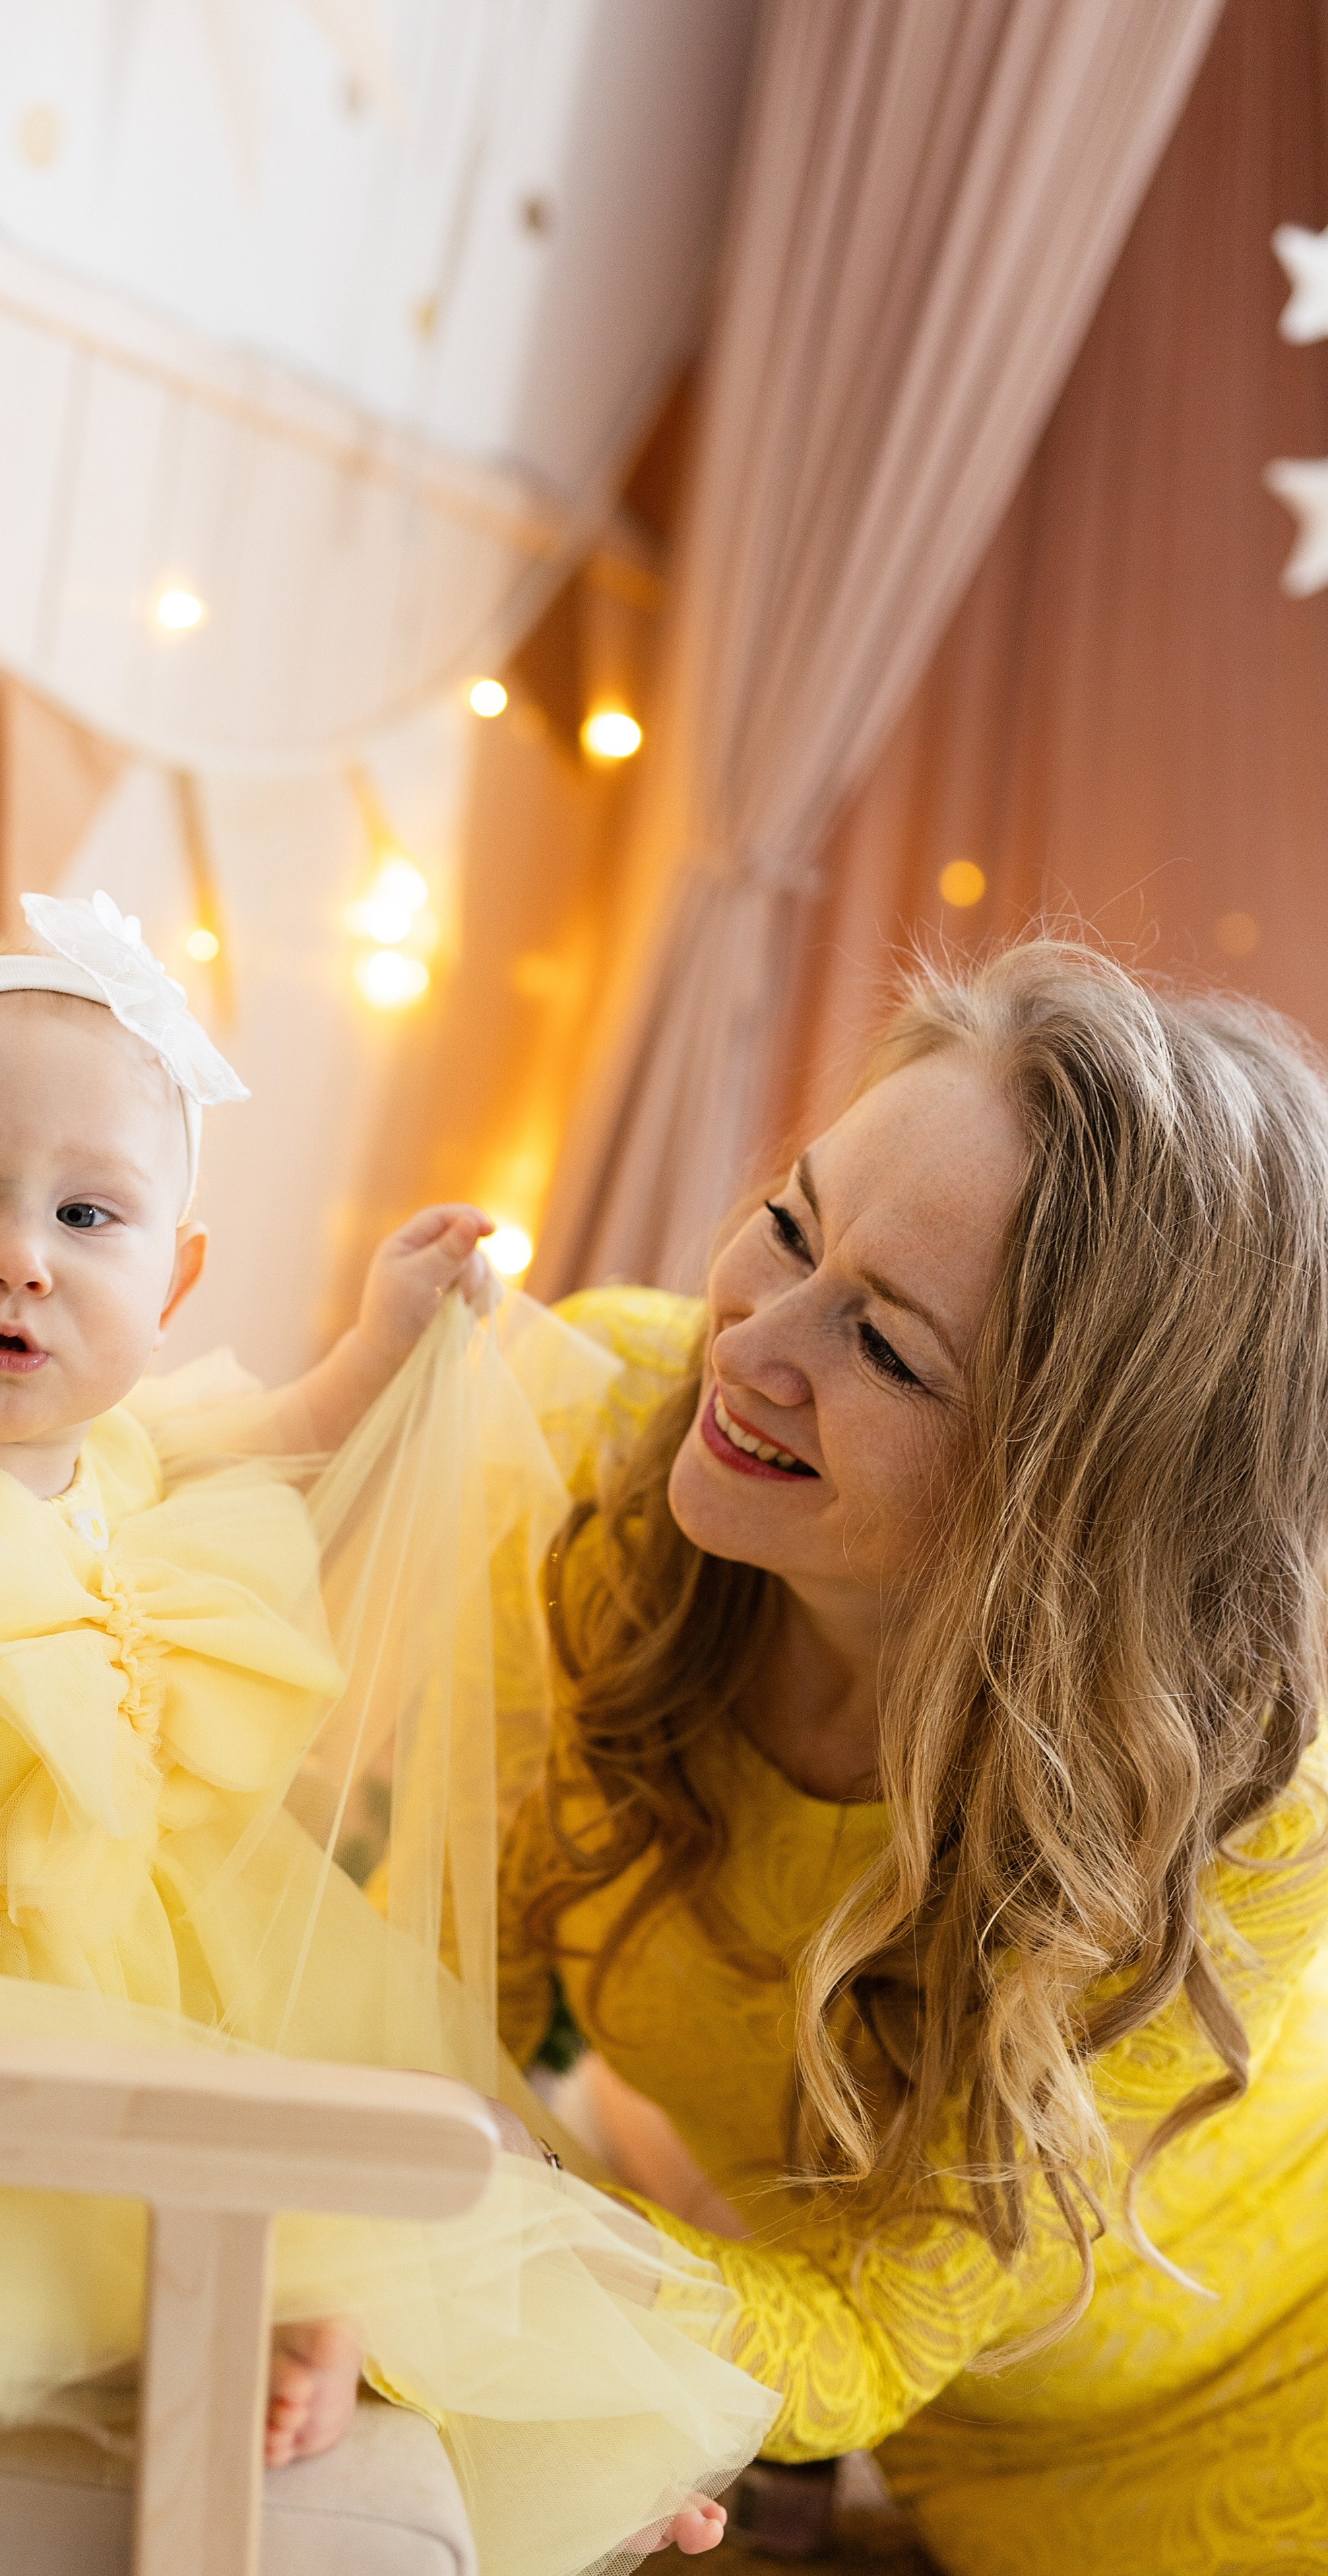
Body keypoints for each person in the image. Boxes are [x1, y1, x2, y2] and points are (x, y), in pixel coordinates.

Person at [0, 891, 769, 2576]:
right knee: (162, 2202)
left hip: (151, 1974)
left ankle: (543, 2430)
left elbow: (282, 1440)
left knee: (445, 2161)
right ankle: (272, 2342)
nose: (17, 1254)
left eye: (90, 1214)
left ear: (175, 1275)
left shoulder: (120, 1451)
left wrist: (381, 1335)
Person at [499, 941, 1328, 2576]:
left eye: (884, 1350)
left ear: (1071, 1508)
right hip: (946, 2456)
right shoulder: (598, 1430)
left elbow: (861, 2334)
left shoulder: (1232, 1822)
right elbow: (454, 1978)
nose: (746, 1345)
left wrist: (456, 2258)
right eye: (792, 1224)